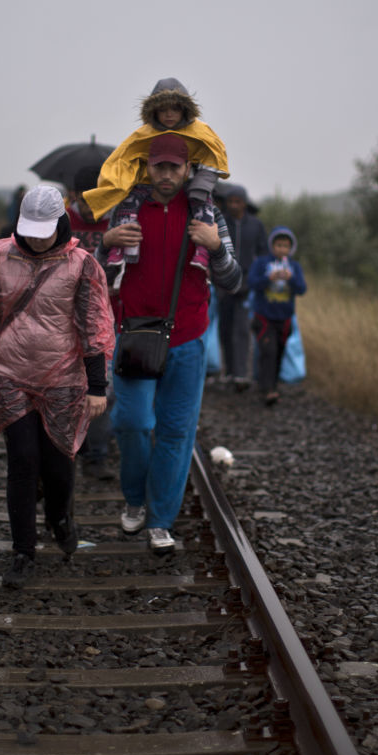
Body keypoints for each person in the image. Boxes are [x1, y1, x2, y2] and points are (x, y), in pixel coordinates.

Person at [0, 185, 115, 588]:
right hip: (9, 375)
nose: (37, 238)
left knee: (58, 466)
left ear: (60, 223)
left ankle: (59, 517)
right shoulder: (1, 259)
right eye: (30, 229)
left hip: (63, 381)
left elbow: (93, 327)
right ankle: (23, 553)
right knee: (22, 461)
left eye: (44, 230)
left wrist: (96, 386)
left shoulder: (81, 265)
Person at [96, 133, 243, 554]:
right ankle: (135, 499)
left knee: (177, 434)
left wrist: (214, 248)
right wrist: (106, 243)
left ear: (187, 170)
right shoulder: (127, 211)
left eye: (174, 167)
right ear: (147, 167)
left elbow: (233, 281)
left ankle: (161, 521)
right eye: (158, 166)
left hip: (188, 338)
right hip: (136, 335)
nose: (165, 175)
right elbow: (93, 276)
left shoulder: (208, 214)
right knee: (133, 423)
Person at [83, 78, 229, 284]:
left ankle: (203, 252)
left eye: (175, 109)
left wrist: (201, 187)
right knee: (127, 209)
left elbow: (215, 155)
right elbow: (122, 158)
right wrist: (115, 189)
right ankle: (122, 252)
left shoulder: (201, 132)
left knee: (203, 212)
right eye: (163, 109)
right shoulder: (143, 134)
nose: (169, 114)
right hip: (135, 311)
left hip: (189, 309)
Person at [66, 165, 116, 480]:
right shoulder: (64, 223)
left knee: (102, 388)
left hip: (107, 315)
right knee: (69, 386)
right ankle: (74, 449)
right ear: (74, 197)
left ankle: (97, 455)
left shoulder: (114, 222)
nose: (91, 206)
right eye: (86, 199)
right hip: (66, 318)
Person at [247, 227, 308, 407]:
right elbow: (252, 283)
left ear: (291, 248)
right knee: (268, 350)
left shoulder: (294, 267)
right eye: (279, 245)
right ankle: (268, 390)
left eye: (286, 246)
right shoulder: (262, 263)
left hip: (285, 318)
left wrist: (291, 278)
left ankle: (271, 385)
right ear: (272, 245)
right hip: (264, 317)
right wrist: (268, 278)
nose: (282, 249)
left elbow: (302, 289)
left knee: (279, 352)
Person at [217, 184, 267, 390]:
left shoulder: (256, 225)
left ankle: (240, 374)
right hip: (224, 283)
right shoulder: (220, 224)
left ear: (245, 203)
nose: (233, 205)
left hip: (247, 283)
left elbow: (263, 254)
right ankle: (228, 371)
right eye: (230, 202)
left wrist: (258, 278)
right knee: (225, 328)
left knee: (242, 329)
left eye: (237, 202)